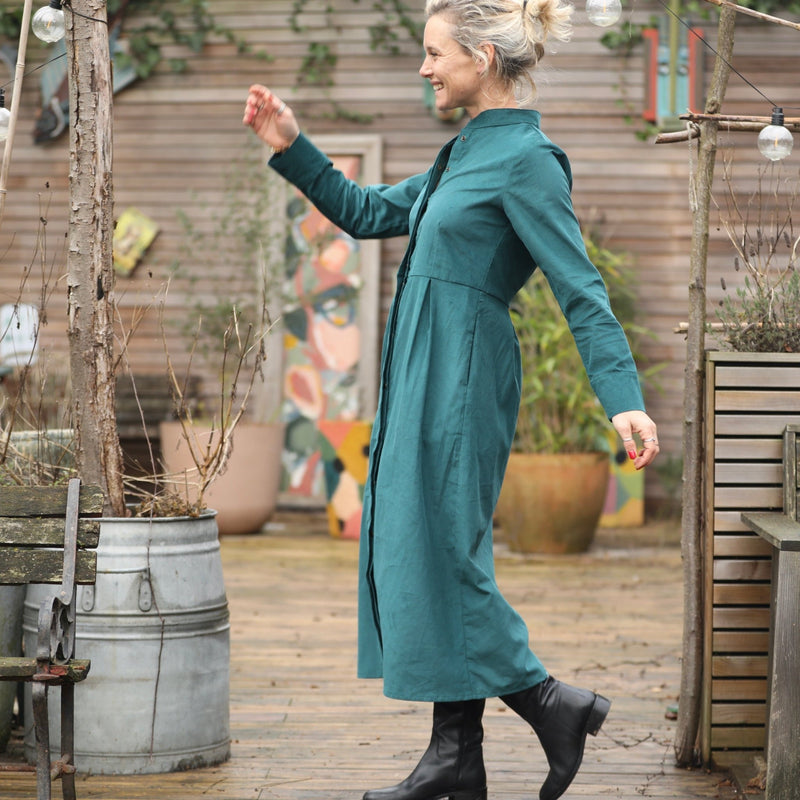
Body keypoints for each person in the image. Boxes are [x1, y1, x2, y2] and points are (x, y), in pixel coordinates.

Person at [244, 1, 660, 798]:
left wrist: (623, 398)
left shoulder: (529, 160)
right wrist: (290, 144)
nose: (425, 68)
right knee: (419, 543)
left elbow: (580, 288)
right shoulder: (462, 154)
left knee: (444, 549)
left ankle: (550, 702)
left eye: (436, 53)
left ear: (483, 58)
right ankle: (456, 754)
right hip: (421, 368)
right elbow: (366, 212)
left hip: (464, 372)